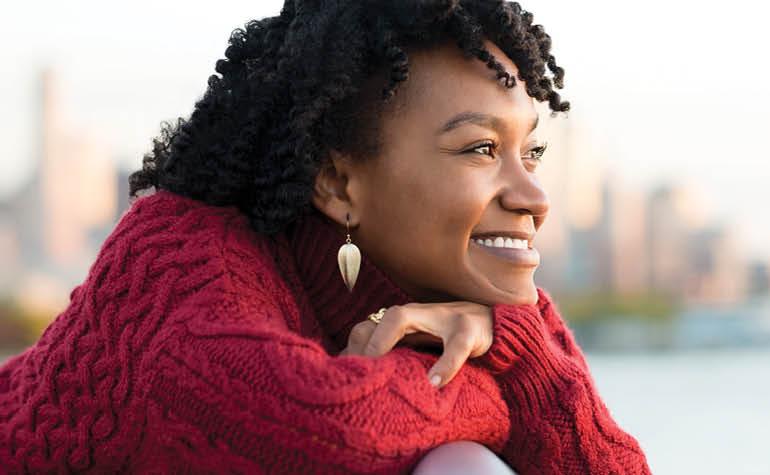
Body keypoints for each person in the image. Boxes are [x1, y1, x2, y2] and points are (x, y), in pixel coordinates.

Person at [0, 0, 651, 473]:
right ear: (338, 183)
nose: (534, 198)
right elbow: (334, 430)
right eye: (481, 148)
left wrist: (518, 346)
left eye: (531, 152)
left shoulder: (498, 310)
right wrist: (500, 386)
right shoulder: (178, 258)